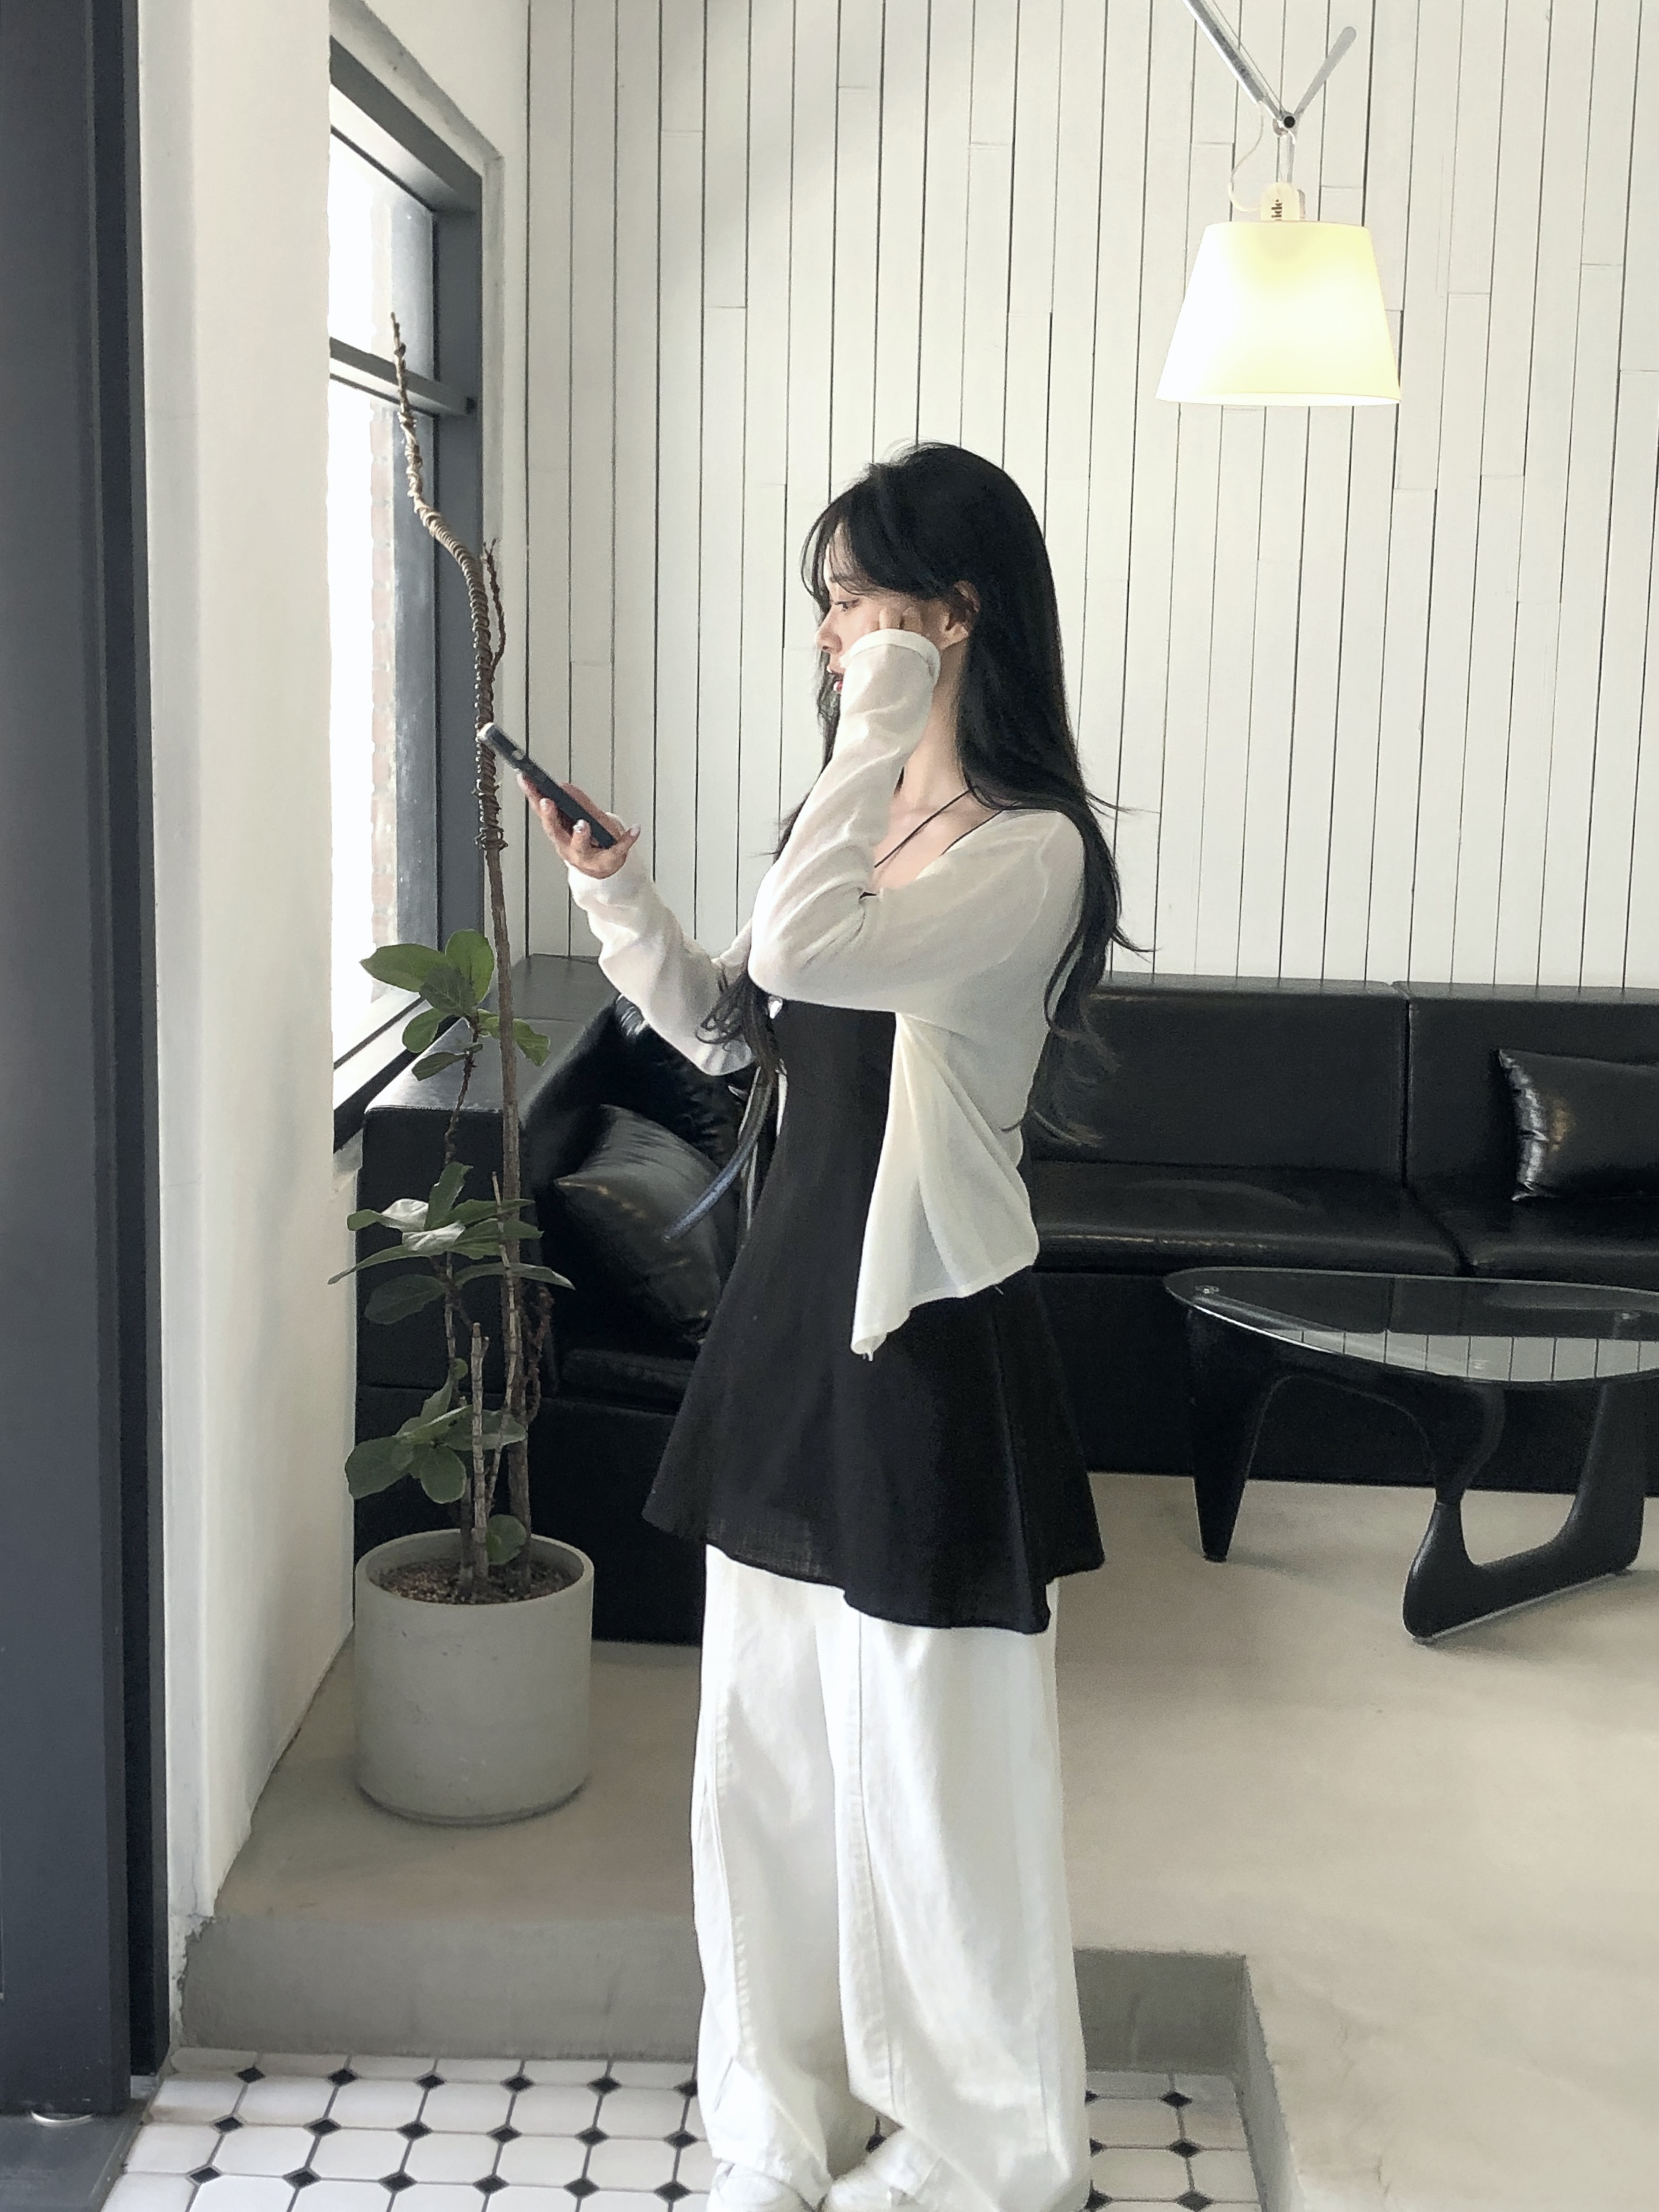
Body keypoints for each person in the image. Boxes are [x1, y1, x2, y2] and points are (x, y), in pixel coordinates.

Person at [523, 442, 1130, 2212]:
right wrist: (619, 897)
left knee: (939, 1777)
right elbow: (743, 1026)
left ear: (959, 616)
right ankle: (782, 2120)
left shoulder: (1032, 855)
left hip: (927, 1338)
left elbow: (806, 954)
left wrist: (880, 717)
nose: (828, 634)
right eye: (828, 606)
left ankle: (985, 2151)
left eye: (858, 602)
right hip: (792, 1328)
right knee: (770, 1764)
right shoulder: (849, 831)